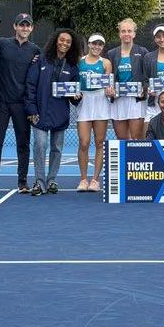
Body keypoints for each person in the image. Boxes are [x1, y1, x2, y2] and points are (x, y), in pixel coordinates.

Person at [0, 13, 40, 194]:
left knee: (23, 144)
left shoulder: (35, 50)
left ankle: (22, 182)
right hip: (1, 103)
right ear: (15, 27)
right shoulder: (1, 44)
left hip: (21, 105)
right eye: (21, 25)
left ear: (31, 28)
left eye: (28, 26)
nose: (24, 28)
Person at [25, 28, 81, 196]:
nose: (64, 43)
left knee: (56, 148)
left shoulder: (72, 66)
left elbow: (73, 95)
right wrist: (31, 109)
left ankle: (51, 180)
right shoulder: (41, 60)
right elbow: (30, 85)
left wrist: (77, 96)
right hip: (39, 113)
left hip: (59, 114)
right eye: (62, 40)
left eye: (68, 42)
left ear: (72, 46)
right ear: (56, 40)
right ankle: (39, 181)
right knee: (40, 146)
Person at [76, 33, 114, 191]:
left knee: (100, 142)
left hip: (100, 102)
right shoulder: (80, 61)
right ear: (89, 45)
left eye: (100, 44)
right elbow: (74, 81)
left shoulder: (106, 63)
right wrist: (75, 92)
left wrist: (110, 90)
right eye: (94, 44)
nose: (97, 47)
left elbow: (109, 84)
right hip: (85, 101)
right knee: (84, 142)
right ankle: (83, 179)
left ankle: (95, 180)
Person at [107, 18, 148, 140]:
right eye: (123, 31)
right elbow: (108, 76)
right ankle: (125, 160)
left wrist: (144, 89)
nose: (126, 34)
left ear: (134, 34)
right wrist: (110, 89)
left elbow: (147, 76)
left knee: (137, 139)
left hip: (136, 100)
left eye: (129, 31)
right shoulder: (112, 53)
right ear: (119, 33)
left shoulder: (142, 52)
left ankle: (138, 159)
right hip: (119, 100)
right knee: (122, 139)